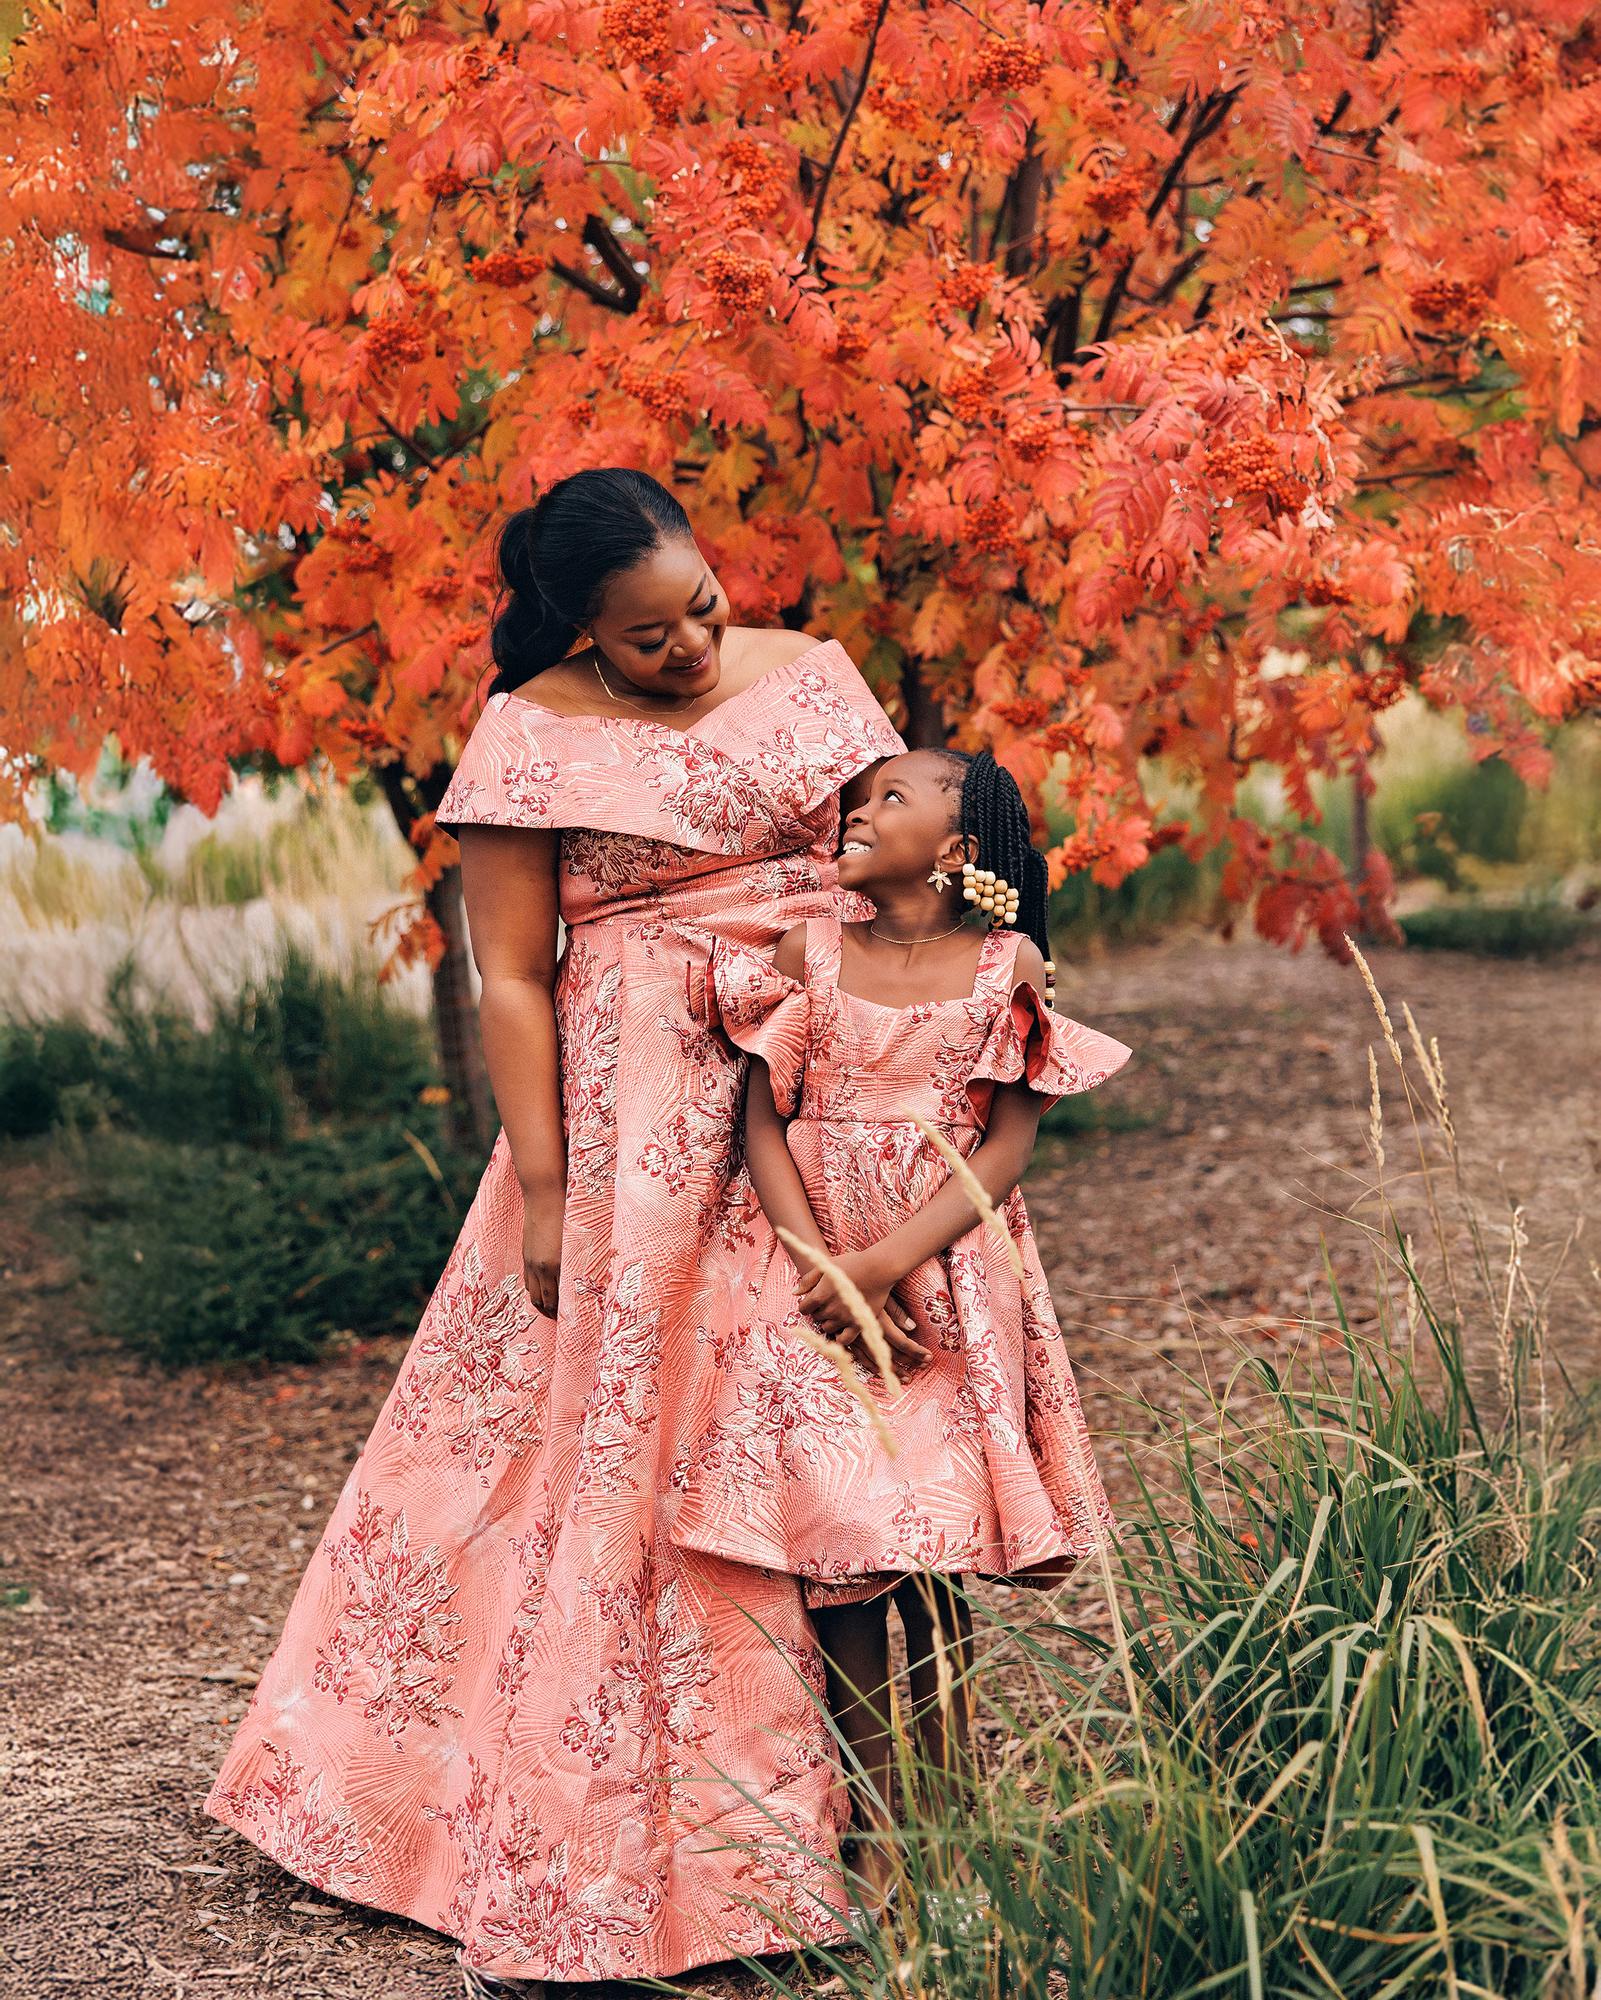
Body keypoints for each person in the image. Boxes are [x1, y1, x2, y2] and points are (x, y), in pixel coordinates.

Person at [204, 467, 907, 1992]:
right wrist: (545, 1184)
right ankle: (625, 1840)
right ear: (577, 629)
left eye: (706, 609)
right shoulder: (529, 736)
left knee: (834, 1422)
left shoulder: (815, 678)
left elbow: (910, 855)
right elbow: (512, 974)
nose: (695, 650)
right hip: (641, 1106)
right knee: (624, 1444)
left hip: (823, 1065)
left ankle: (898, 1827)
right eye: (649, 638)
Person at [669, 747, 1132, 1906]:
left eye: (890, 797)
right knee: (846, 1546)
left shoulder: (1003, 963)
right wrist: (820, 1260)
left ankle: (947, 1805)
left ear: (959, 848)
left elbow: (1008, 1142)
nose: (855, 811)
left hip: (945, 1267)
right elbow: (761, 1119)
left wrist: (887, 1261)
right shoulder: (803, 952)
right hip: (805, 1271)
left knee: (930, 1541)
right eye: (856, 797)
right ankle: (875, 1829)